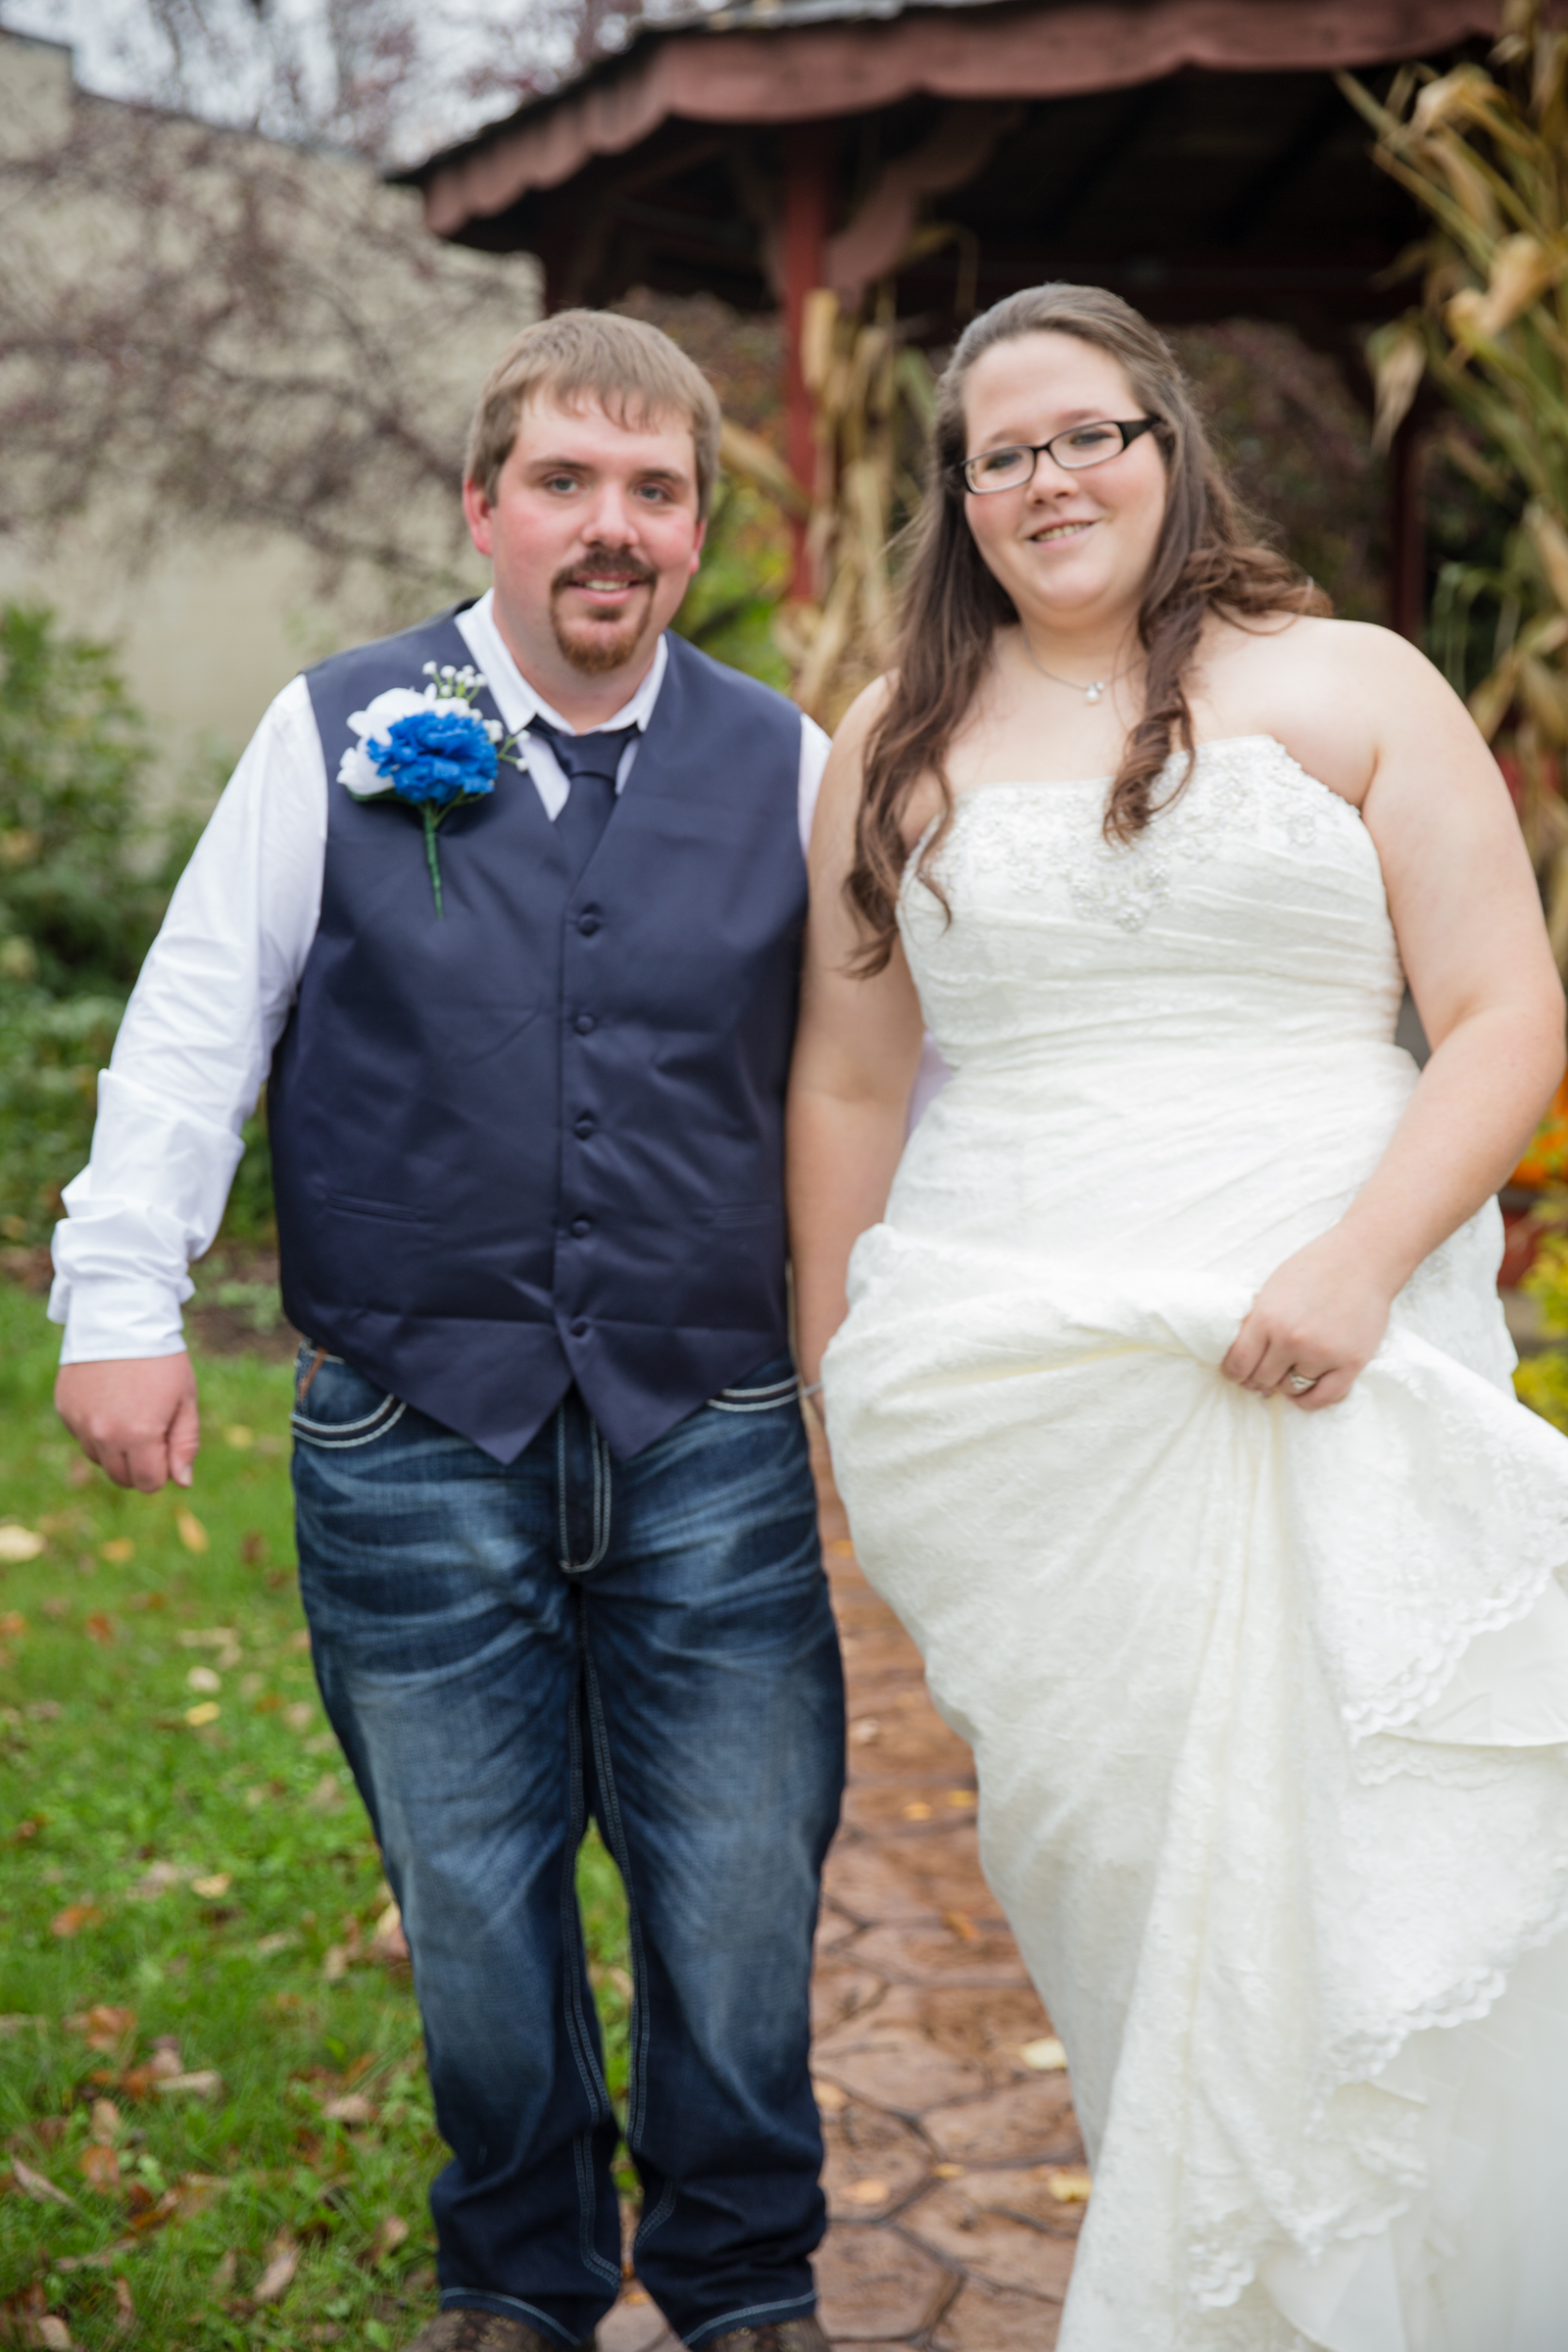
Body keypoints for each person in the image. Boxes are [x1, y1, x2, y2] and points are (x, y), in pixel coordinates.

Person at [52, 310, 845, 2352]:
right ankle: (518, 2272)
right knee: (474, 1902)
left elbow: (878, 1086)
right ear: (482, 508)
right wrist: (122, 1298)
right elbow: (196, 1023)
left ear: (698, 527)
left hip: (706, 1421)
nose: (611, 526)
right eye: (565, 482)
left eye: (654, 489)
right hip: (412, 1422)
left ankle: (745, 2278)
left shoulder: (789, 762)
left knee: (740, 1889)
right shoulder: (332, 730)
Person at [788, 280, 1568, 2350]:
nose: (1050, 480)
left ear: (1165, 444)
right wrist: (834, 1370)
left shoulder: (1350, 683)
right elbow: (849, 1081)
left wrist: (1353, 1261)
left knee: (1369, 1852)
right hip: (1032, 1397)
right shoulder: (892, 736)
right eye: (1003, 454)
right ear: (959, 494)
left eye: (1087, 436)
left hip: (1339, 1354)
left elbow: (1504, 1012)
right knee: (1130, 1881)